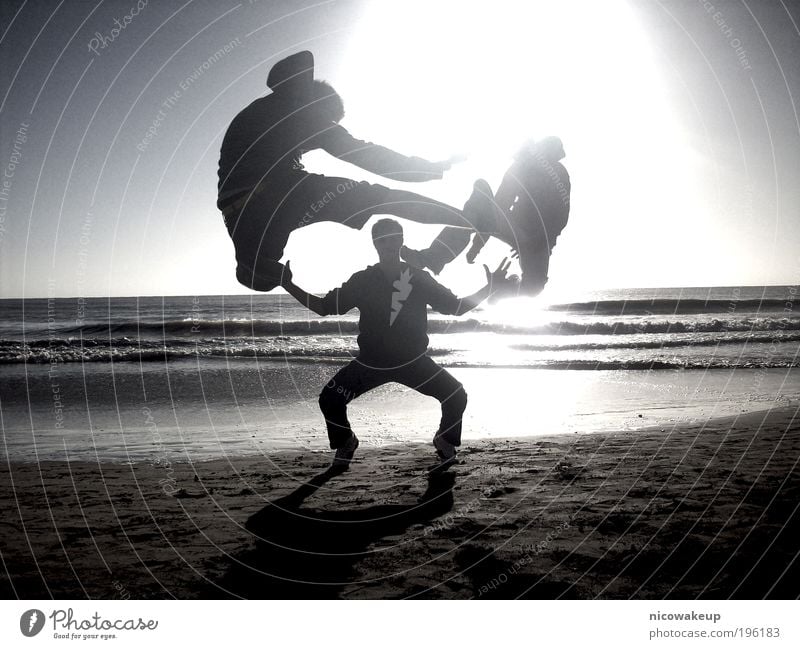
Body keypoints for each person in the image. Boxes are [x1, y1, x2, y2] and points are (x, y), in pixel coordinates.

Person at [217, 50, 495, 292]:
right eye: (330, 122)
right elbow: (364, 155)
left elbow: (293, 69)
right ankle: (470, 220)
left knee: (374, 200)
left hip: (246, 207)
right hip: (270, 196)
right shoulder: (300, 110)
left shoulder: (264, 115)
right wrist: (429, 168)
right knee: (380, 198)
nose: (327, 131)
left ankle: (465, 222)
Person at [280, 218, 510, 471]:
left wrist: (488, 289)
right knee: (330, 399)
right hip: (372, 364)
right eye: (385, 239)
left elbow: (454, 307)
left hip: (413, 363)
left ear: (402, 241)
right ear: (376, 244)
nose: (392, 243)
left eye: (396, 238)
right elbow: (325, 307)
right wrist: (288, 284)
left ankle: (445, 439)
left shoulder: (417, 277)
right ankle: (346, 441)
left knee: (456, 395)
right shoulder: (363, 280)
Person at [401, 136, 571, 297]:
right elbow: (497, 209)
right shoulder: (523, 169)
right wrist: (478, 245)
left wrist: (539, 241)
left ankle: (500, 290)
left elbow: (561, 215)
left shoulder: (554, 173)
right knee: (479, 198)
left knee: (534, 287)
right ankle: (432, 258)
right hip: (520, 230)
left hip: (536, 238)